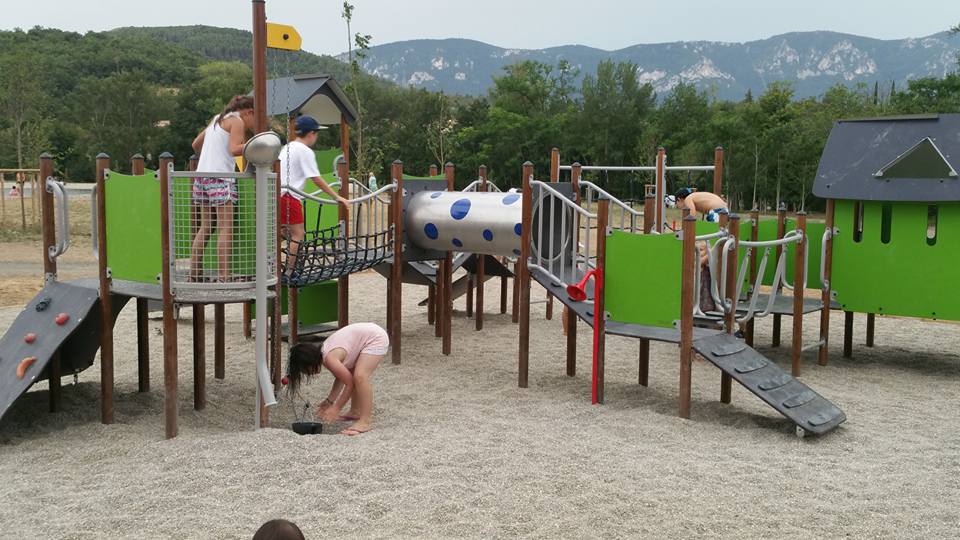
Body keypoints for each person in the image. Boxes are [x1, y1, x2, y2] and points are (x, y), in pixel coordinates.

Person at [189, 95, 256, 282]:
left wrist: (213, 152)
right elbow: (234, 149)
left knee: (206, 226)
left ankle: (194, 274)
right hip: (220, 179)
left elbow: (195, 144)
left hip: (201, 178)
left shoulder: (217, 119)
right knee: (225, 227)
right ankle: (224, 276)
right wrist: (256, 144)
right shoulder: (237, 121)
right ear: (250, 112)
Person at [286, 322, 389, 435]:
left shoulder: (329, 358)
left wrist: (337, 408)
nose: (308, 374)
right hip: (367, 335)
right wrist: (330, 401)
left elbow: (349, 383)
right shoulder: (324, 353)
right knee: (352, 373)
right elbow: (341, 377)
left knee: (360, 377)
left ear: (308, 363)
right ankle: (355, 411)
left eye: (305, 370)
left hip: (375, 338)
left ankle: (365, 421)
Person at [279, 115, 348, 275]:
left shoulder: (288, 147)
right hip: (290, 195)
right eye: (316, 134)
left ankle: (272, 267)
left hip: (278, 194)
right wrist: (337, 197)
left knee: (282, 232)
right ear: (311, 134)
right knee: (298, 234)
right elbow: (316, 178)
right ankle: (289, 272)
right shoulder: (305, 151)